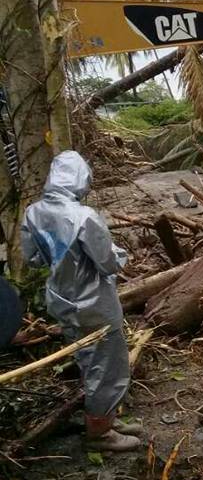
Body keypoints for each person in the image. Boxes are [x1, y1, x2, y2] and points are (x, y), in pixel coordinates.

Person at [20, 151, 141, 451]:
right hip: (94, 303)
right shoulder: (83, 216)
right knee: (108, 363)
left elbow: (33, 259)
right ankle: (100, 433)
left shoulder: (33, 213)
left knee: (88, 360)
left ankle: (103, 417)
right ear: (81, 179)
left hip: (61, 299)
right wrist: (121, 254)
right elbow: (108, 264)